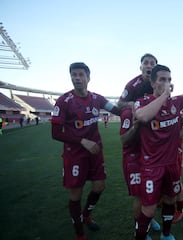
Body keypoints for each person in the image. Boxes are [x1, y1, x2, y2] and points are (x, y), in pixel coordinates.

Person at [133, 47, 183, 240]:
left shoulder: (176, 103)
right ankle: (140, 236)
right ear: (152, 83)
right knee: (149, 208)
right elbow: (142, 117)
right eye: (162, 79)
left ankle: (166, 234)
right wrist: (162, 97)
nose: (167, 83)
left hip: (171, 163)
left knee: (170, 199)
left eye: (169, 79)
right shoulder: (142, 102)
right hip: (151, 166)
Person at [51, 62, 131, 240]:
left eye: (80, 75)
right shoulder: (64, 101)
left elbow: (118, 110)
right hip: (74, 155)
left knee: (99, 186)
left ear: (88, 78)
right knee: (75, 194)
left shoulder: (97, 99)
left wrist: (135, 110)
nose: (77, 78)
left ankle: (86, 214)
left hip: (95, 151)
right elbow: (55, 133)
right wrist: (82, 141)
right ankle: (80, 234)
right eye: (74, 75)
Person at [119, 52, 161, 233]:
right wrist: (137, 106)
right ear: (141, 66)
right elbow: (120, 104)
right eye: (146, 62)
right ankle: (139, 229)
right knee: (139, 193)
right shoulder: (132, 85)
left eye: (153, 63)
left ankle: (149, 221)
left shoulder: (158, 83)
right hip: (136, 148)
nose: (149, 65)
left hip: (153, 148)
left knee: (153, 192)